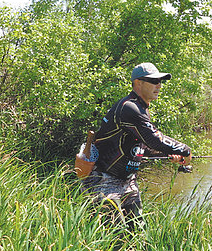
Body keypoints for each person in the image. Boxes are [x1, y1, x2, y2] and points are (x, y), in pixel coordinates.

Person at [82, 62, 192, 230]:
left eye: (160, 81)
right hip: (104, 179)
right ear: (138, 83)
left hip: (127, 181)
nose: (159, 86)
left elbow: (142, 147)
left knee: (137, 235)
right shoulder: (130, 108)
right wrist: (184, 150)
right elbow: (155, 139)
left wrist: (168, 156)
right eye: (154, 81)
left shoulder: (141, 108)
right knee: (113, 238)